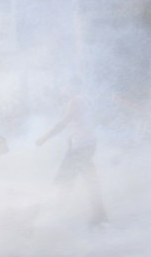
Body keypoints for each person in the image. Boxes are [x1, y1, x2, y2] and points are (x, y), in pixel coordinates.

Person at [35, 91, 108, 226]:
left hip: (80, 147)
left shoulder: (76, 100)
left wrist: (44, 138)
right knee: (88, 180)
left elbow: (63, 123)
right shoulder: (88, 98)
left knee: (63, 180)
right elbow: (88, 121)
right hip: (87, 145)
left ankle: (49, 217)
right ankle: (100, 214)